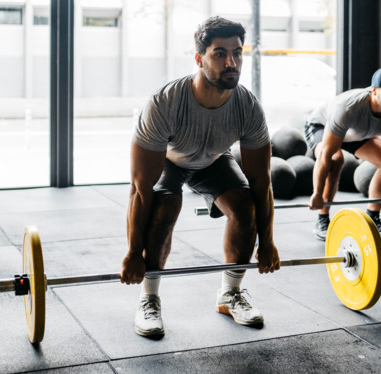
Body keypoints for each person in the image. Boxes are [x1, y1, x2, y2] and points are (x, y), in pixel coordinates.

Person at [120, 16, 280, 338]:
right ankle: (149, 297)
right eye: (219, 53)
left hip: (213, 159)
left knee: (245, 204)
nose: (231, 62)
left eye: (237, 53)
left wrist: (268, 241)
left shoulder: (247, 107)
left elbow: (262, 182)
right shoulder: (165, 102)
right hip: (171, 158)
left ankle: (230, 293)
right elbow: (140, 189)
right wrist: (134, 253)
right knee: (165, 205)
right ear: (199, 58)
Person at [305, 67, 381, 240]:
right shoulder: (348, 108)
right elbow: (325, 155)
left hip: (358, 132)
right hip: (322, 125)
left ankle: (373, 217)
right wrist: (317, 194)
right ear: (374, 91)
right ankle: (322, 219)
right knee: (335, 160)